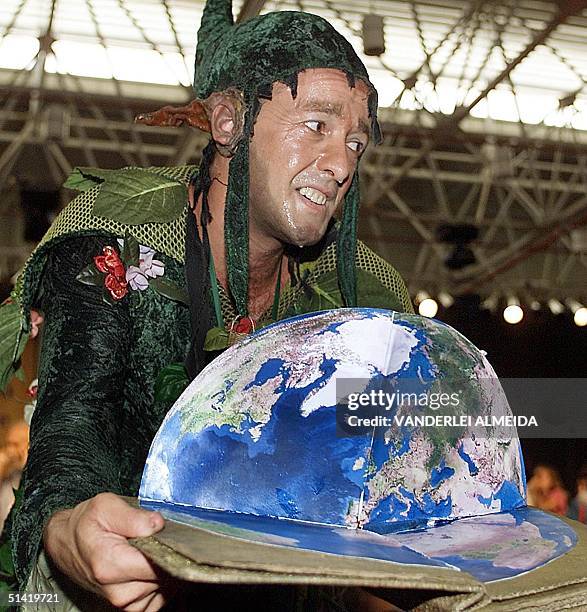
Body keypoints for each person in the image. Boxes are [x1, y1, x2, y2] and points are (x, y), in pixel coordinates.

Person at [1, 0, 412, 609]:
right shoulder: (115, 242)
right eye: (316, 126)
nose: (341, 162)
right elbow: (72, 433)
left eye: (356, 141)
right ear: (227, 122)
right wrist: (68, 532)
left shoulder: (360, 301)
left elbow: (367, 486)